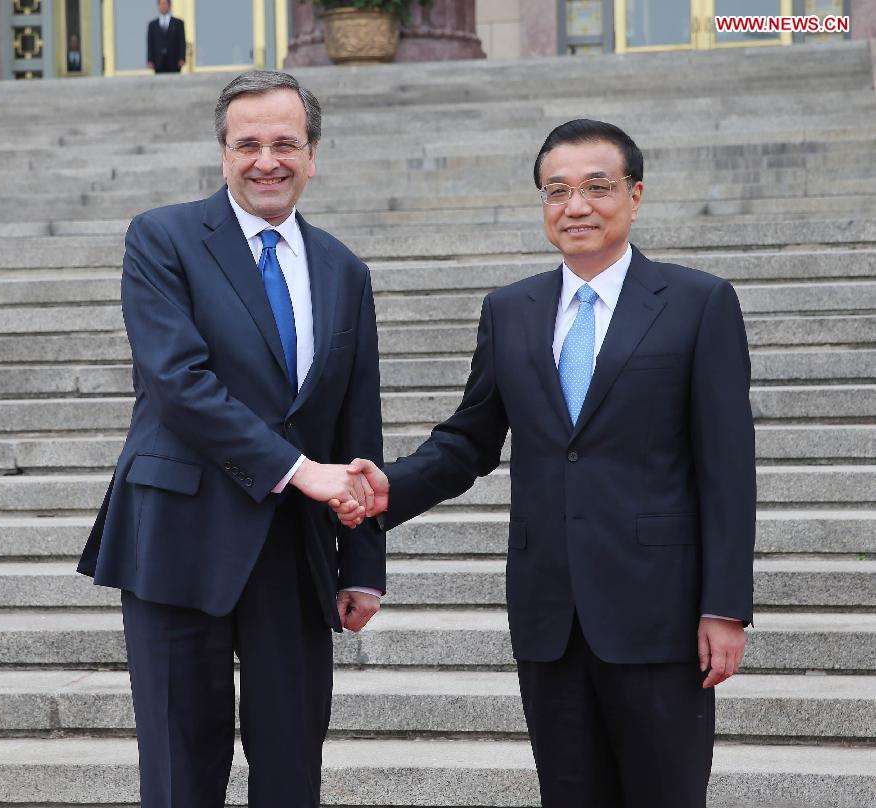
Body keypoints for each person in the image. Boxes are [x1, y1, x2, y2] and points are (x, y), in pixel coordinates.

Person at [337, 119, 756, 808]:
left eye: (597, 188)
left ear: (636, 196)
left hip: (661, 610)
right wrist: (389, 488)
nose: (576, 206)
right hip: (549, 612)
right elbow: (468, 442)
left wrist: (725, 608)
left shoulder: (698, 303)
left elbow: (728, 470)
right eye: (556, 191)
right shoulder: (511, 311)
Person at [78, 70, 385, 808]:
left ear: (313, 156)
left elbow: (357, 421)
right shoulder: (163, 237)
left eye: (286, 142)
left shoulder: (345, 270)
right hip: (177, 534)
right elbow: (176, 382)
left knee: (291, 765)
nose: (266, 160)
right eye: (247, 144)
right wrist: (298, 467)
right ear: (222, 155)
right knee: (182, 766)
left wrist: (364, 563)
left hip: (295, 547)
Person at [146, 0, 185, 74]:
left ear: (169, 5)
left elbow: (181, 42)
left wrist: (182, 58)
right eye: (161, 4)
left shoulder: (178, 23)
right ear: (158, 6)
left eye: (165, 3)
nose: (163, 6)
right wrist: (150, 60)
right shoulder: (152, 25)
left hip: (174, 61)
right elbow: (150, 43)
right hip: (158, 61)